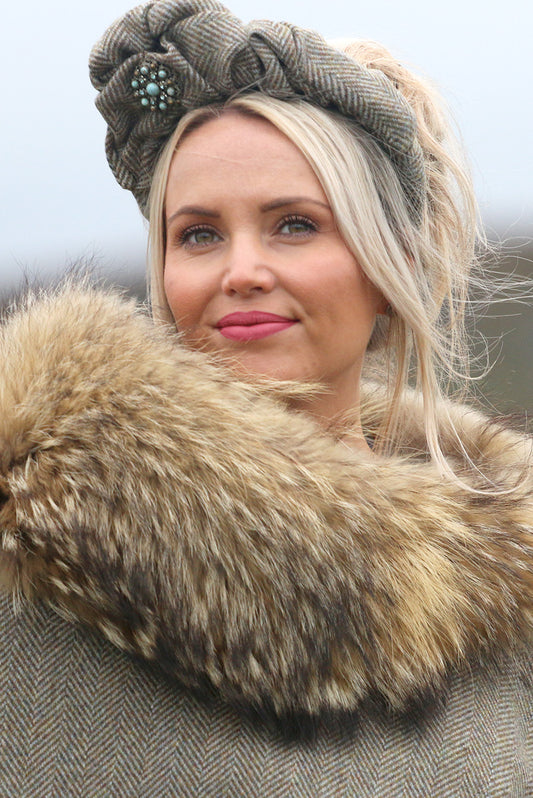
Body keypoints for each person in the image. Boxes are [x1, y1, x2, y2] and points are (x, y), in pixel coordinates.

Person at [0, 0, 531, 795]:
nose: (240, 269)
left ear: (390, 273)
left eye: (293, 224)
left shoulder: (505, 591)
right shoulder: (33, 558)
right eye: (200, 234)